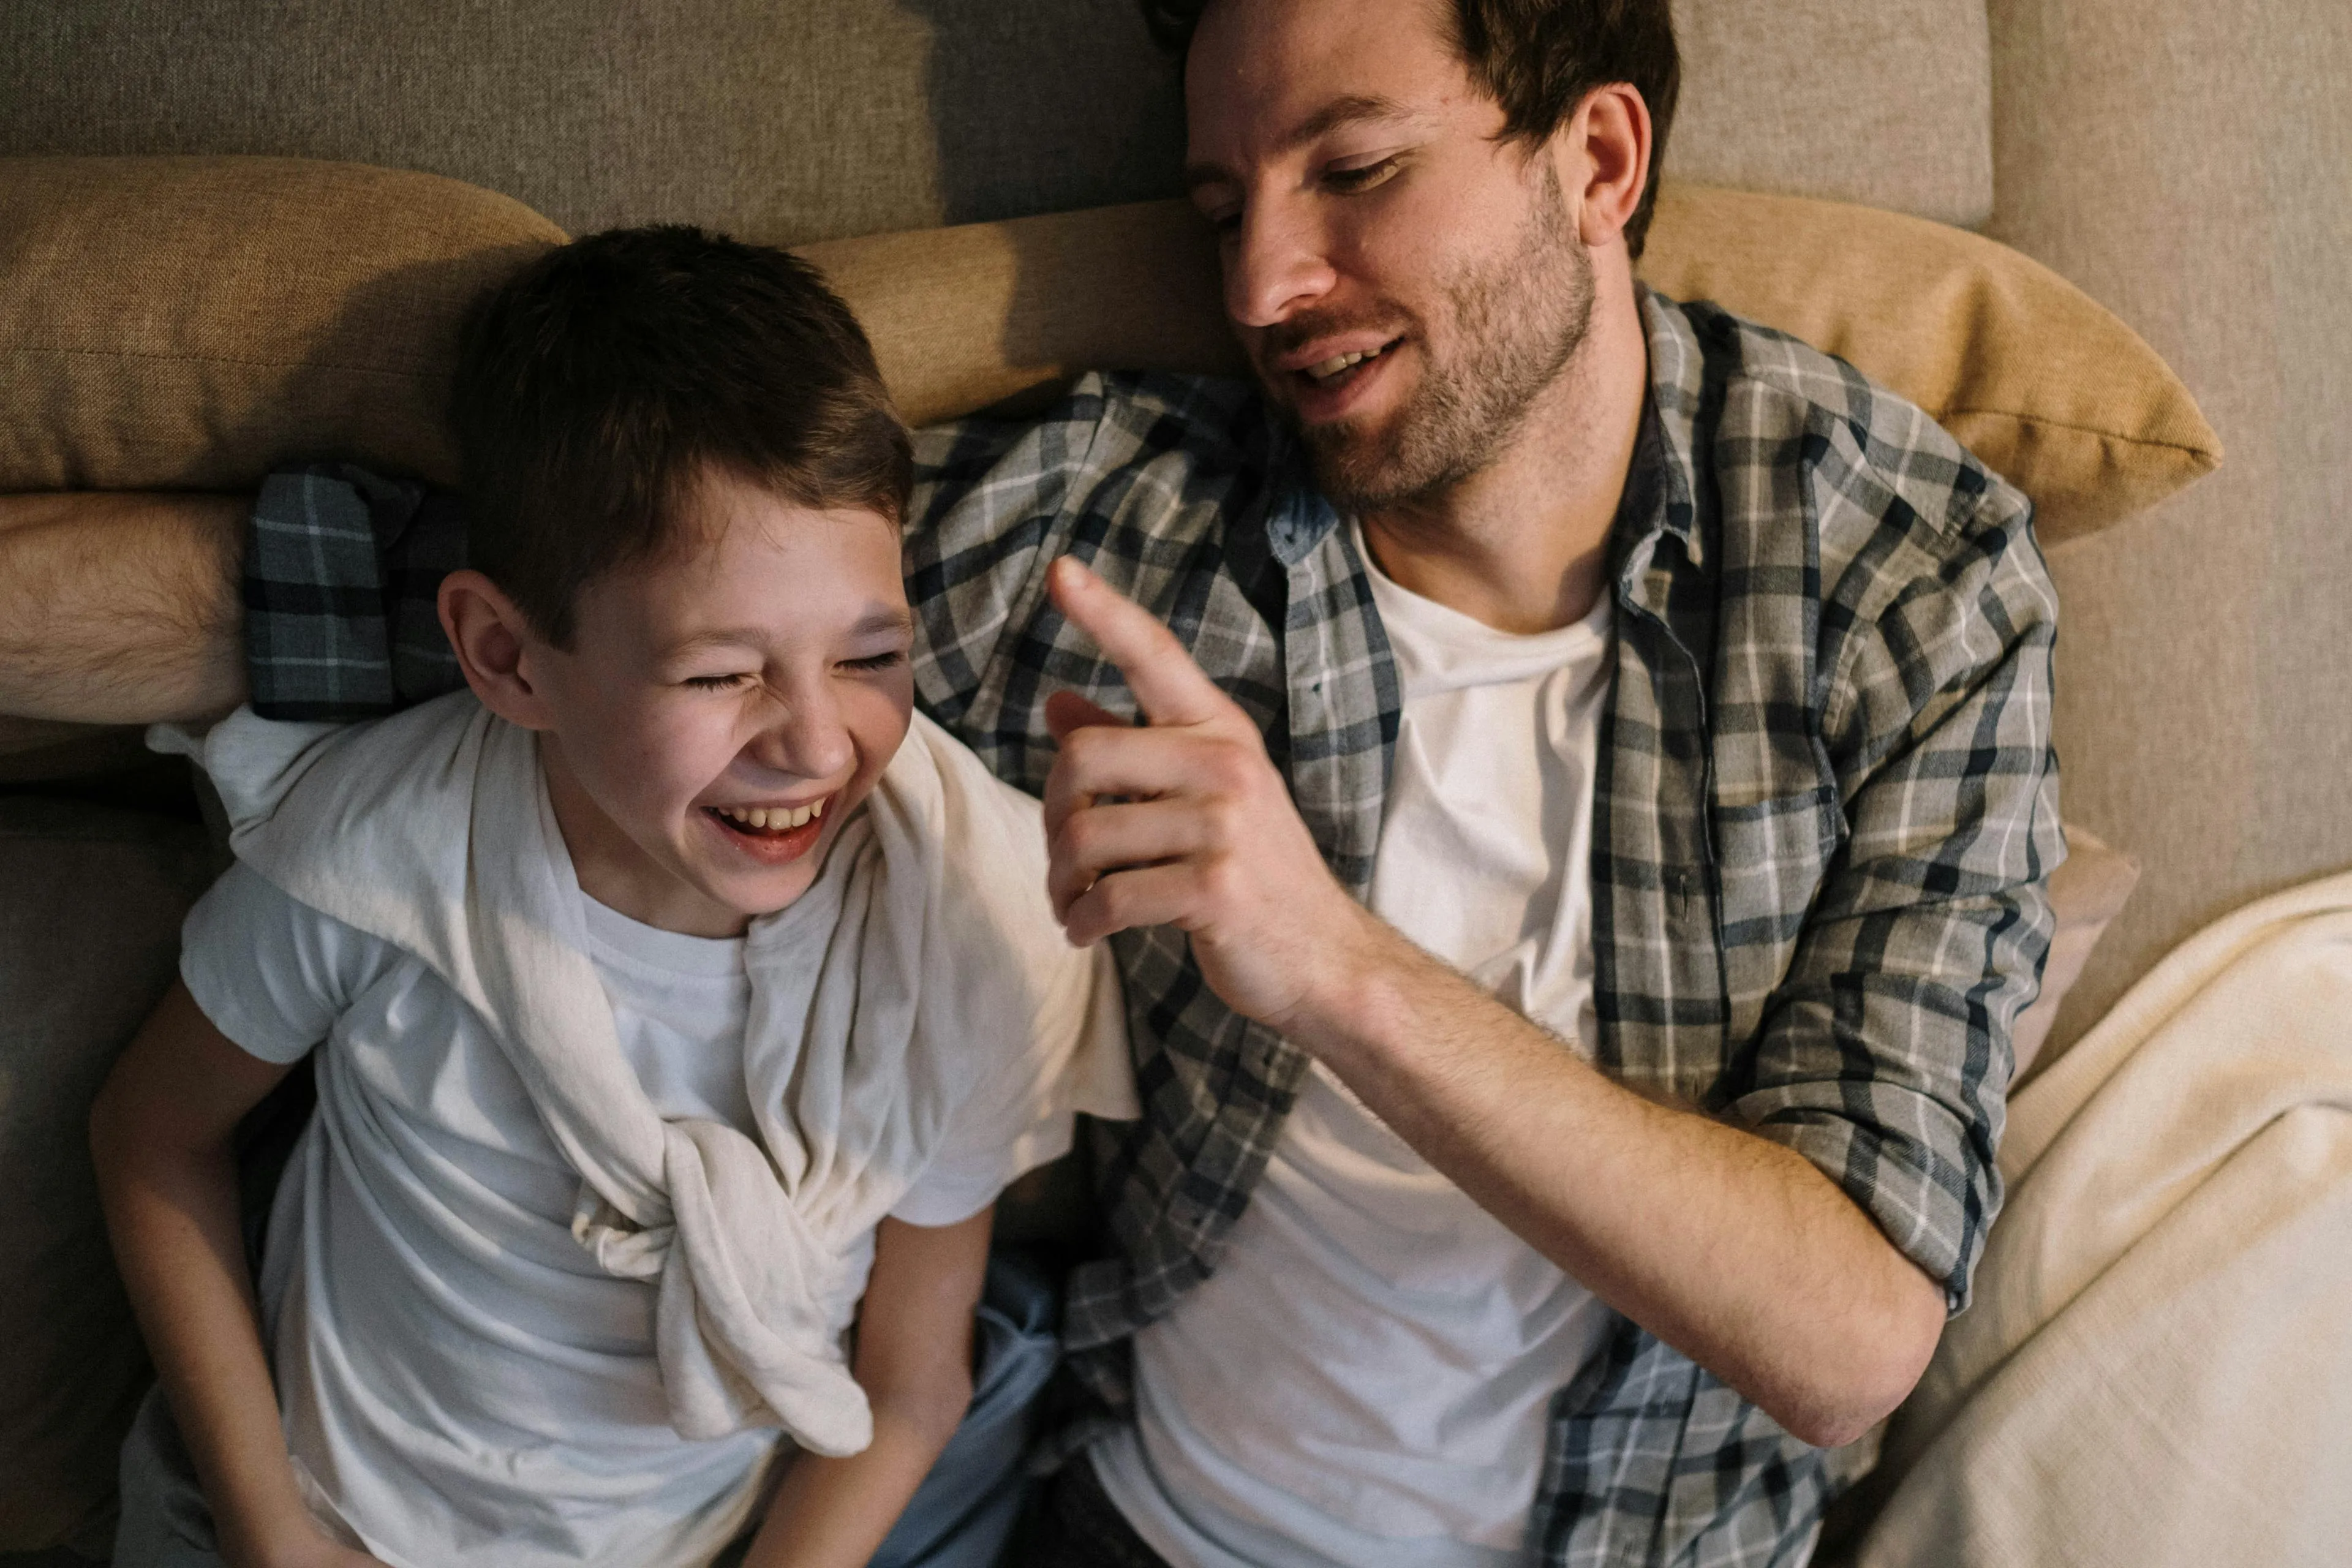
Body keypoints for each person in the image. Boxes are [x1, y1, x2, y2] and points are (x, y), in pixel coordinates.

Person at [1, 0, 2064, 1562]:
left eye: (1352, 172)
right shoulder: (1120, 518)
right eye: (1219, 209)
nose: (1261, 288)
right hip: (1138, 1525)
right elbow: (574, 596)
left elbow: (1852, 1332)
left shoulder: (1906, 579)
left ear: (1597, 157)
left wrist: (1329, 965)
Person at [83, 226, 1131, 1568]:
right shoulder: (385, 858)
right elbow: (149, 1133)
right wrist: (273, 1528)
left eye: (870, 654)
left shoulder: (973, 924)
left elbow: (914, 1375)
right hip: (329, 1516)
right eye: (718, 674)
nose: (816, 743)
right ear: (509, 656)